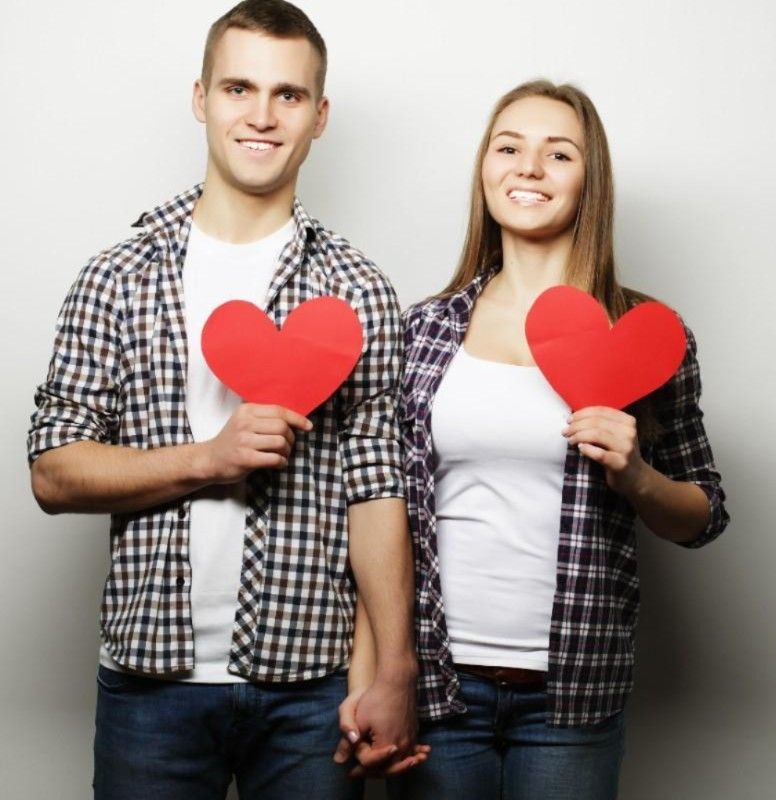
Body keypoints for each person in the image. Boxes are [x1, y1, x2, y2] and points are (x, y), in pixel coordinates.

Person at [26, 1, 424, 797]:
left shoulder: (357, 291)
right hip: (150, 684)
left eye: (289, 95)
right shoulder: (119, 276)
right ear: (201, 97)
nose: (262, 115)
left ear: (320, 116)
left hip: (311, 690)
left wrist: (395, 668)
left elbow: (377, 490)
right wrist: (209, 459)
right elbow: (52, 472)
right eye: (240, 88)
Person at [340, 80, 730, 799]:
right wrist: (372, 679)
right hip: (436, 686)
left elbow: (704, 515)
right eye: (509, 147)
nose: (529, 168)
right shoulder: (422, 331)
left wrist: (636, 473)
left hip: (571, 696)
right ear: (485, 168)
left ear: (591, 181)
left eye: (559, 154)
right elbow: (382, 512)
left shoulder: (643, 337)